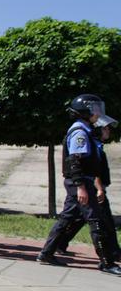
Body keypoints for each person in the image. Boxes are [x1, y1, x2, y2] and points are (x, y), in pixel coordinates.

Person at [38, 94, 121, 275]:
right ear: (85, 111)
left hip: (81, 182)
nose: (98, 113)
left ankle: (46, 253)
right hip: (81, 182)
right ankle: (106, 262)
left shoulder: (86, 129)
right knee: (96, 221)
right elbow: (74, 161)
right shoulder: (80, 132)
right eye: (95, 109)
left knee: (66, 218)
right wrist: (81, 186)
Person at [55, 114, 121, 260]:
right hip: (92, 188)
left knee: (75, 218)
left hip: (91, 188)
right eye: (106, 128)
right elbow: (92, 171)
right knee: (103, 222)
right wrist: (99, 189)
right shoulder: (91, 144)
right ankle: (112, 255)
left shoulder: (97, 145)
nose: (109, 131)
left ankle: (57, 245)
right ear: (98, 129)